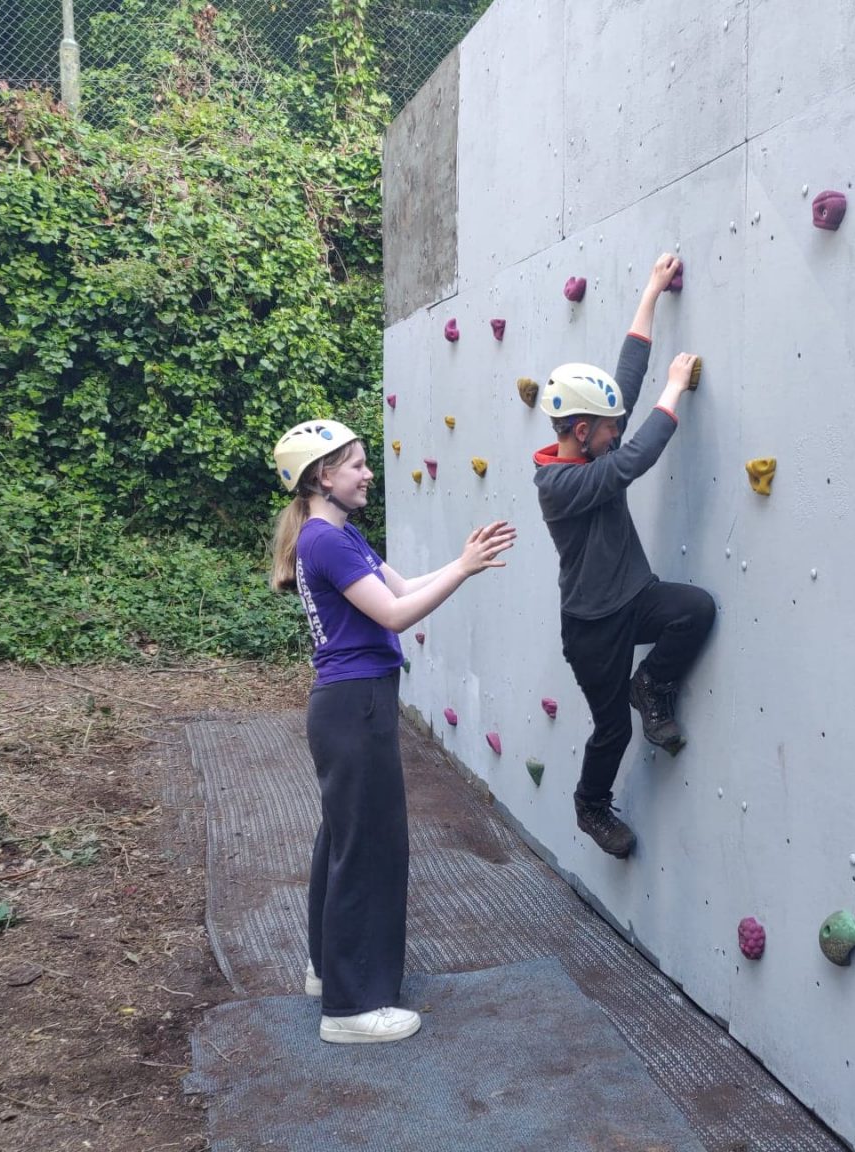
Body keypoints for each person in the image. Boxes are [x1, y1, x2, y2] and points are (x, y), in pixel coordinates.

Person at [269, 418, 515, 1042]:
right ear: (323, 476)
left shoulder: (340, 536)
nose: (367, 472)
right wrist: (462, 571)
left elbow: (404, 586)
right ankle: (352, 1011)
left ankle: (330, 972)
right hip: (357, 707)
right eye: (355, 463)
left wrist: (463, 565)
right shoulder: (325, 543)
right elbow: (396, 613)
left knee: (345, 841)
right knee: (369, 850)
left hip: (355, 704)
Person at [532, 253, 716, 859]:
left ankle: (652, 685)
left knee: (695, 609)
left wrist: (650, 294)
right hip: (592, 628)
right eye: (609, 425)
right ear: (582, 431)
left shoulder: (591, 448)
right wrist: (675, 390)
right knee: (610, 731)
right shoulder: (562, 485)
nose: (619, 427)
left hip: (635, 598)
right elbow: (633, 459)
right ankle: (591, 804)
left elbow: (622, 381)